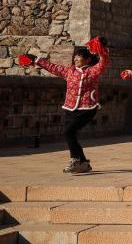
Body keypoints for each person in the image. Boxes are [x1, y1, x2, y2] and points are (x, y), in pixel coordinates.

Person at [18, 36, 109, 173]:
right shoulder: (69, 71)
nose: (75, 59)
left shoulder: (93, 71)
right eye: (75, 56)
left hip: (87, 108)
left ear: (88, 60)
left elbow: (104, 62)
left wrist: (102, 51)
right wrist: (36, 59)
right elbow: (53, 67)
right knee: (71, 134)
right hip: (70, 108)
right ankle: (83, 163)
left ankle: (75, 160)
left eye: (79, 57)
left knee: (68, 132)